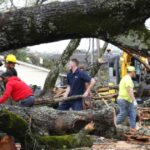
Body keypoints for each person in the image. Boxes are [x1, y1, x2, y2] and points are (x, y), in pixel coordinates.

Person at [116, 66, 137, 133]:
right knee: (123, 114)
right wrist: (134, 100)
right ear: (132, 72)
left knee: (132, 113)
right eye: (135, 72)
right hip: (124, 100)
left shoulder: (125, 78)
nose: (135, 73)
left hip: (126, 100)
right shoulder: (128, 79)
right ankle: (113, 124)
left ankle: (133, 128)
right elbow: (129, 90)